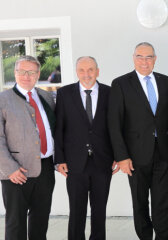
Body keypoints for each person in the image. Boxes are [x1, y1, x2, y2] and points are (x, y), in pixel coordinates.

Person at [108, 42, 168, 240]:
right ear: (133, 58)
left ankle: (163, 236)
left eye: (149, 57)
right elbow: (115, 124)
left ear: (155, 59)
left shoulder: (165, 81)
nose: (144, 61)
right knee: (140, 202)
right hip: (135, 155)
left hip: (163, 152)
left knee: (162, 200)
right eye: (140, 56)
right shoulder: (121, 83)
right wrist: (122, 156)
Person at [0, 55, 56, 240]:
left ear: (38, 74)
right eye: (22, 71)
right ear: (15, 73)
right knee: (16, 223)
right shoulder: (0, 101)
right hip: (17, 172)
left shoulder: (46, 97)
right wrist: (10, 169)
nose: (27, 76)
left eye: (31, 72)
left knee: (40, 221)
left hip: (45, 169)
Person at [54, 56, 117, 240]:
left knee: (100, 211)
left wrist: (118, 155)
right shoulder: (65, 94)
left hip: (103, 161)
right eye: (82, 70)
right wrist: (59, 159)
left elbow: (116, 127)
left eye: (90, 69)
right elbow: (59, 129)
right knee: (76, 211)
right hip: (74, 163)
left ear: (98, 71)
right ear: (76, 72)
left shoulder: (110, 93)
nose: (86, 74)